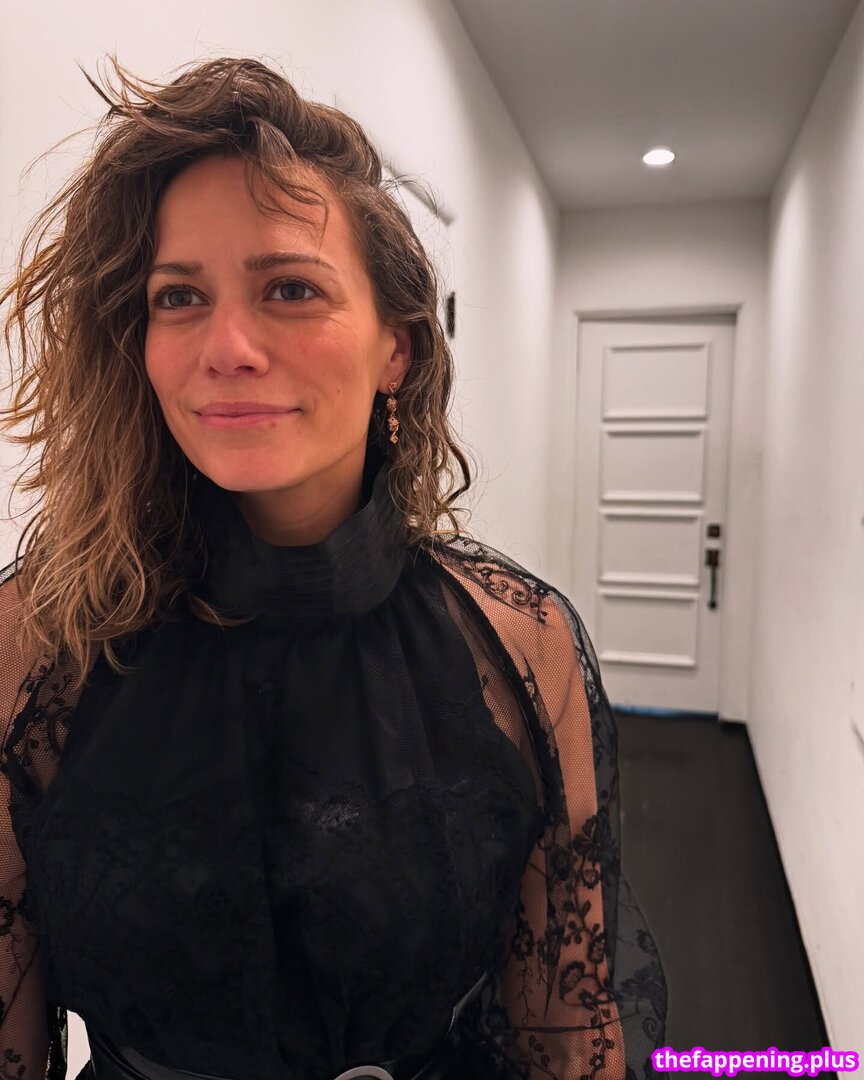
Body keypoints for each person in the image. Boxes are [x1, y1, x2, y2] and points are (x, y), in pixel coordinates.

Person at [0, 55, 667, 1080]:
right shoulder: (42, 644)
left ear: (397, 347)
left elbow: (569, 1035)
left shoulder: (518, 647)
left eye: (290, 288)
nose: (227, 345)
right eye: (179, 296)